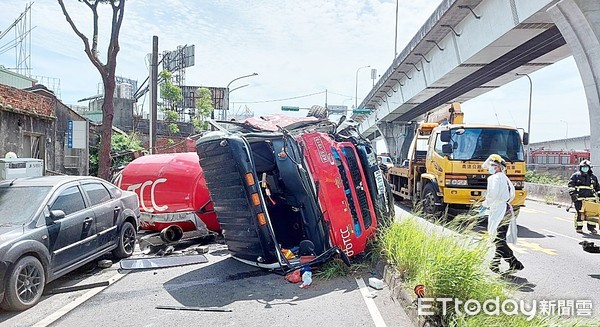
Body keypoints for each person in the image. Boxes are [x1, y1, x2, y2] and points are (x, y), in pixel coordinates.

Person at [481, 154, 524, 274]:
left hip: (499, 211)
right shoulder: (504, 178)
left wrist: (485, 204)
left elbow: (492, 195)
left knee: (498, 240)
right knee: (499, 239)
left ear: (499, 167)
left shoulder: (494, 178)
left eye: (493, 165)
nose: (491, 167)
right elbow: (512, 195)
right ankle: (495, 264)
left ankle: (514, 263)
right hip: (505, 209)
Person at [568, 160, 600, 234]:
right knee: (580, 213)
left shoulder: (593, 177)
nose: (585, 169)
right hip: (579, 199)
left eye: (586, 167)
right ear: (580, 167)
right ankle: (579, 228)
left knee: (592, 214)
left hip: (591, 200)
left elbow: (597, 188)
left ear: (589, 168)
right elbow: (571, 186)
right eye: (583, 167)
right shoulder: (575, 176)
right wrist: (573, 194)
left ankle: (592, 228)